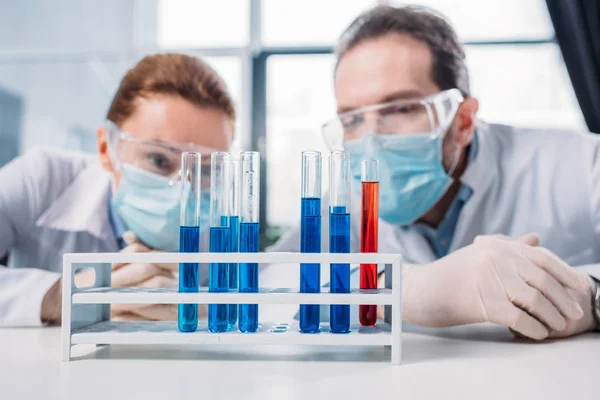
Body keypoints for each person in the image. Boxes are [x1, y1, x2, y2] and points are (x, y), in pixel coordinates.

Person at [269, 5, 600, 338]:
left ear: (463, 121)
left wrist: (591, 297)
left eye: (400, 108)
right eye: (353, 119)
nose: (372, 139)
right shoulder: (351, 201)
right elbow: (263, 283)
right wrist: (402, 289)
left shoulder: (583, 164)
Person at [0, 53, 235, 325]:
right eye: (158, 160)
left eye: (204, 170)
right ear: (106, 148)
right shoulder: (40, 178)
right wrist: (63, 296)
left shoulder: (224, 234)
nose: (182, 188)